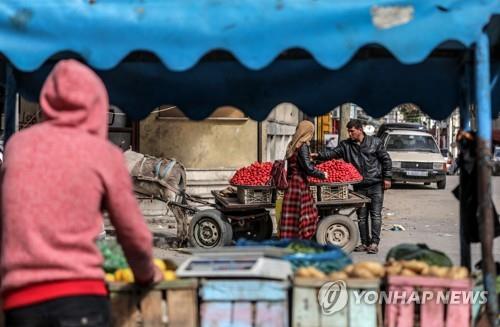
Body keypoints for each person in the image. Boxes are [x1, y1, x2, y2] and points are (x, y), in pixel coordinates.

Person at [0, 60, 163, 326]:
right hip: (80, 300)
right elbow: (132, 232)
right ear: (97, 107)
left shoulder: (18, 147)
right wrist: (146, 274)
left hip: (20, 303)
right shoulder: (103, 154)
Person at [315, 119, 392, 254]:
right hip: (359, 186)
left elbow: (386, 160)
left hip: (375, 184)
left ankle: (374, 243)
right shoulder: (345, 145)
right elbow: (332, 153)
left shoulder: (375, 142)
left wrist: (387, 178)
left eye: (352, 131)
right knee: (361, 216)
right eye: (349, 131)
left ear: (360, 130)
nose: (350, 134)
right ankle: (364, 243)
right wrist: (317, 155)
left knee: (375, 215)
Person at [279, 120, 328, 239]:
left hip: (291, 184)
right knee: (307, 213)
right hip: (300, 184)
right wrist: (322, 174)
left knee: (291, 215)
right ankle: (302, 238)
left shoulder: (292, 144)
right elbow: (308, 168)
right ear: (308, 132)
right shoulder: (303, 146)